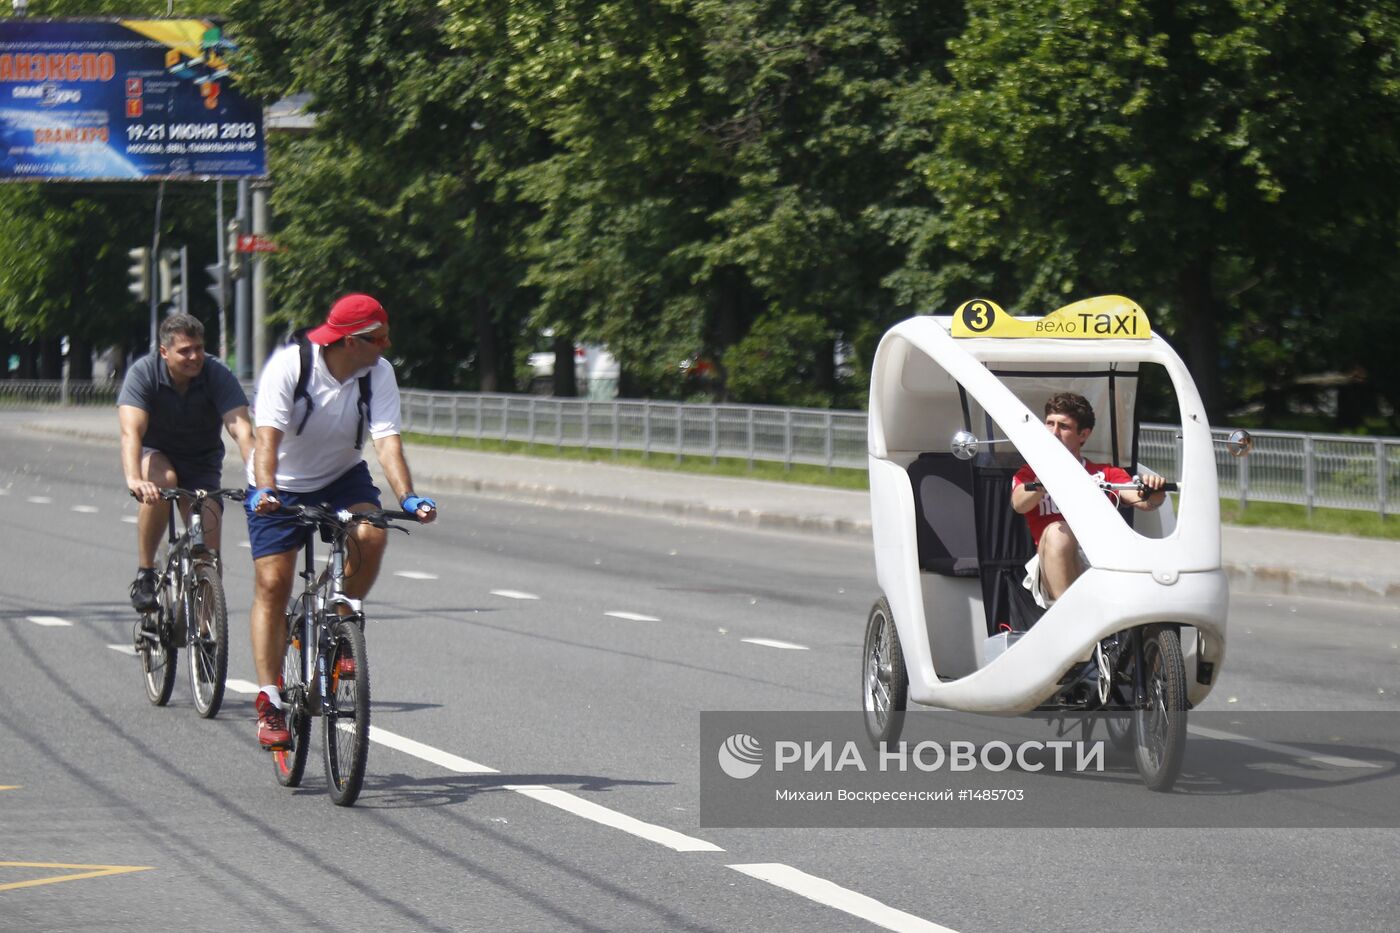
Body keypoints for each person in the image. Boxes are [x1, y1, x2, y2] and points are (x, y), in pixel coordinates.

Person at [244, 293, 436, 749]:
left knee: (373, 532)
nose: (386, 345)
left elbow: (387, 440)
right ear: (350, 341)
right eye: (378, 337)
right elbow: (266, 439)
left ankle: (342, 616)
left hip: (341, 476)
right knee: (274, 582)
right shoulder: (290, 367)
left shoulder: (378, 373)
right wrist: (266, 489)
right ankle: (271, 699)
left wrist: (407, 497)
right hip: (282, 481)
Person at [118, 313, 255, 613]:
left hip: (201, 461)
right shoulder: (144, 373)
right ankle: (146, 574)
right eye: (185, 351)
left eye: (199, 348)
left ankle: (206, 634)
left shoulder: (216, 373)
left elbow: (241, 429)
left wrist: (260, 481)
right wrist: (134, 479)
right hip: (156, 453)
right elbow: (131, 433)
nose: (195, 357)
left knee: (208, 552)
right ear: (164, 352)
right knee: (163, 480)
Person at [1010, 392, 1165, 608]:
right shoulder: (1029, 474)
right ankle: (1069, 620)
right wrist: (1044, 477)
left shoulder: (1105, 473)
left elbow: (1144, 501)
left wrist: (1155, 490)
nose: (1053, 432)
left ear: (1083, 435)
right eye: (1049, 424)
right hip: (1054, 561)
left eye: (1063, 427)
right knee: (1058, 532)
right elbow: (1019, 503)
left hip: (1103, 561)